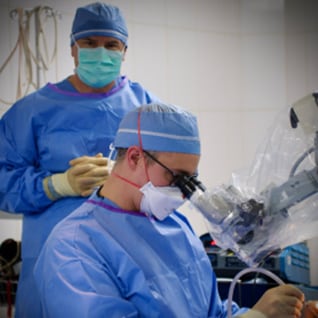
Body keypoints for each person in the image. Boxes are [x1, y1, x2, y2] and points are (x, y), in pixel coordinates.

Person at [34, 102, 307, 318]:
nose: (183, 194)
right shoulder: (74, 247)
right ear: (134, 157)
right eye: (177, 178)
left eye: (191, 180)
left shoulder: (176, 225)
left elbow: (210, 313)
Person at [0, 2, 160, 317]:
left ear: (124, 50)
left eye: (111, 45)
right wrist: (57, 184)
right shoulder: (32, 110)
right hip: (52, 263)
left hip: (127, 261)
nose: (100, 52)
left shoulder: (146, 108)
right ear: (73, 49)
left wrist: (125, 179)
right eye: (89, 43)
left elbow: (173, 179)